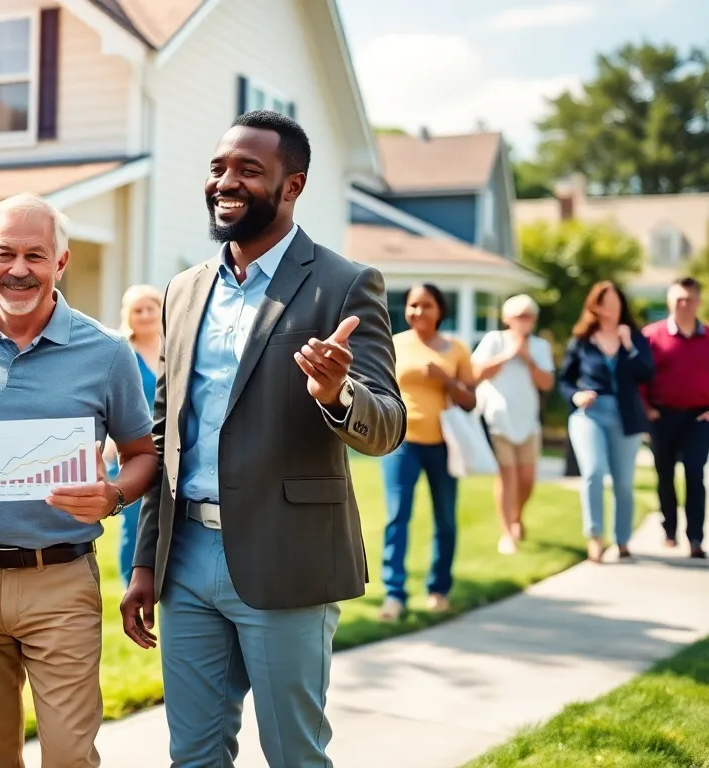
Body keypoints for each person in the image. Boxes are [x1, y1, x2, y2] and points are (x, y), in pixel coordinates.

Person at [119, 110, 406, 768]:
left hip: (288, 561)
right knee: (192, 755)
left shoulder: (343, 283)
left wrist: (338, 394)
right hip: (185, 563)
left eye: (250, 170)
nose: (227, 180)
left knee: (294, 756)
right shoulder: (185, 291)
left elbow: (388, 423)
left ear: (292, 185)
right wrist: (143, 562)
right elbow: (167, 435)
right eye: (219, 167)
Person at [0, 193, 157, 767]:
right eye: (6, 253)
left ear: (62, 263)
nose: (20, 269)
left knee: (70, 756)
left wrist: (113, 494)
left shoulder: (106, 352)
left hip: (61, 578)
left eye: (36, 254)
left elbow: (142, 453)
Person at [380, 283, 477, 621]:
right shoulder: (393, 344)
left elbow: (470, 401)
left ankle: (438, 590)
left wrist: (446, 380)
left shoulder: (457, 349)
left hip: (444, 446)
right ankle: (394, 595)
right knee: (397, 517)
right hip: (401, 444)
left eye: (427, 306)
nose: (418, 312)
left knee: (446, 520)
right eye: (413, 305)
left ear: (440, 310)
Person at [559, 280, 654, 563]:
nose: (611, 309)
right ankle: (595, 537)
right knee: (593, 472)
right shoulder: (581, 340)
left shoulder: (635, 339)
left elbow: (647, 374)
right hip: (590, 414)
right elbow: (564, 381)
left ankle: (622, 540)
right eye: (605, 303)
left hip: (626, 415)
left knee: (624, 482)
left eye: (616, 303)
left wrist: (628, 345)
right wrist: (575, 395)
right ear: (595, 306)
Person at [472, 294, 555, 555]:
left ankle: (517, 515)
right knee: (507, 478)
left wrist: (528, 358)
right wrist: (508, 355)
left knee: (527, 478)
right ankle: (507, 533)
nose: (524, 321)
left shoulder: (540, 346)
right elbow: (476, 374)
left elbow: (546, 383)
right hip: (498, 420)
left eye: (528, 316)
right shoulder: (493, 341)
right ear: (507, 318)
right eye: (519, 315)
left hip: (527, 422)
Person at [641, 276, 709, 559]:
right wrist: (647, 410)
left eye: (689, 299)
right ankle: (669, 529)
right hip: (662, 415)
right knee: (665, 474)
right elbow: (639, 378)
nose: (684, 304)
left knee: (695, 472)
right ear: (670, 302)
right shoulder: (651, 336)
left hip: (699, 418)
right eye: (679, 299)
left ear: (698, 302)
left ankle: (695, 538)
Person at [104, 284, 164, 586]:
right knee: (134, 523)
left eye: (149, 308)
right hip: (131, 449)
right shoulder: (120, 352)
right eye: (137, 310)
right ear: (128, 315)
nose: (144, 315)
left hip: (173, 449)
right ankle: (132, 587)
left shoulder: (174, 347)